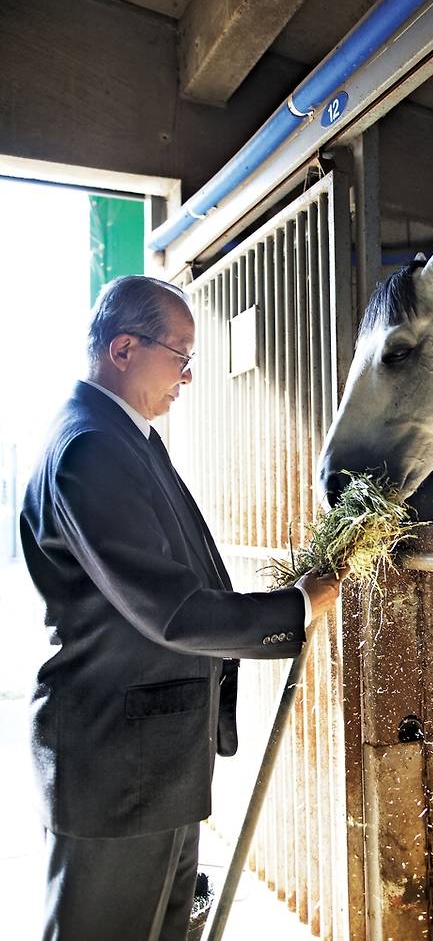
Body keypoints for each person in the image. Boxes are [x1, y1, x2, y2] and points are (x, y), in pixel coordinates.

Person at [20, 275, 341, 941]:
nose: (189, 377)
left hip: (151, 760)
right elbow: (170, 609)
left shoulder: (127, 437)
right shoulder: (90, 449)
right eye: (182, 355)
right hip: (118, 767)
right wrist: (294, 605)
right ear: (124, 349)